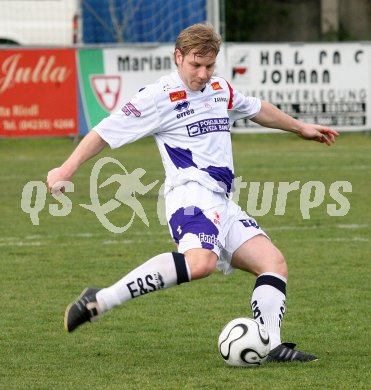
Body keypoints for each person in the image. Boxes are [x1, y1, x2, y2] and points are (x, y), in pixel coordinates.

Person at [47, 23, 338, 362]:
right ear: (178, 57)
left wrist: (300, 127)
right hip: (190, 196)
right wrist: (65, 170)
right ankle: (101, 299)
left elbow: (256, 108)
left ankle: (271, 344)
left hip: (222, 201)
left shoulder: (219, 88)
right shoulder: (157, 96)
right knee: (200, 263)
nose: (203, 73)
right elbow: (104, 132)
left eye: (209, 65)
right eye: (195, 65)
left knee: (273, 263)